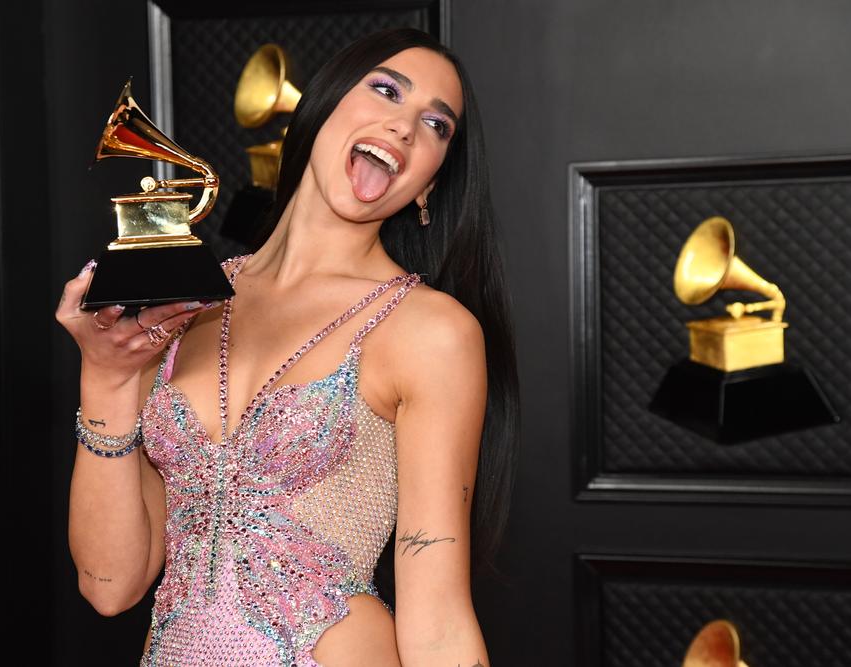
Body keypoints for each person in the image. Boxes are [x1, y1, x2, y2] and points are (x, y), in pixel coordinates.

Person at [57, 26, 520, 667]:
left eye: (437, 126)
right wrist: (106, 378)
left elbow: (438, 621)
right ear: (320, 107)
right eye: (386, 91)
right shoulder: (185, 302)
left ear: (428, 188)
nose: (407, 127)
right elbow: (110, 585)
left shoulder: (430, 331)